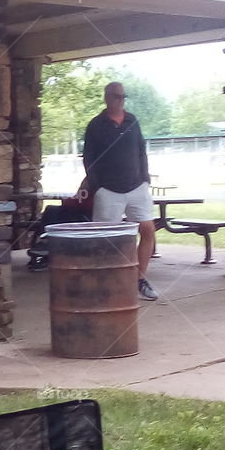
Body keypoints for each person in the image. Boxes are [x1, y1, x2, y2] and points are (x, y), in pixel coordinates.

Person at [83, 82, 159, 301]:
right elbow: (88, 157)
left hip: (136, 186)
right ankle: (106, 283)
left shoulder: (132, 120)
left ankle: (140, 279)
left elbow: (141, 150)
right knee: (105, 238)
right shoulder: (96, 125)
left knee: (148, 230)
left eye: (123, 97)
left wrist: (145, 178)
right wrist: (97, 185)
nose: (120, 100)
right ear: (107, 97)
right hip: (108, 190)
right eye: (116, 96)